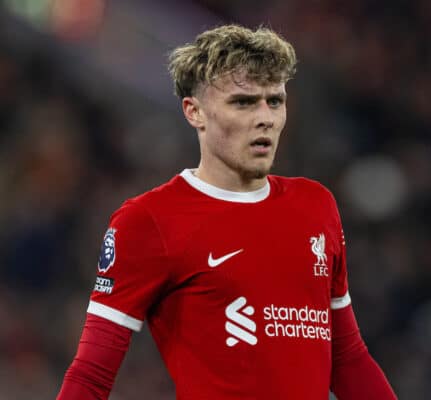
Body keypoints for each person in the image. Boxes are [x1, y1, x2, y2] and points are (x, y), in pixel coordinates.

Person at [57, 24, 397, 400]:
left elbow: (347, 358)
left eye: (275, 100)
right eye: (244, 102)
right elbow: (91, 374)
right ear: (194, 112)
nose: (265, 117)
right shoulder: (149, 220)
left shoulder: (316, 205)